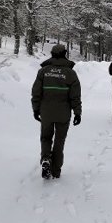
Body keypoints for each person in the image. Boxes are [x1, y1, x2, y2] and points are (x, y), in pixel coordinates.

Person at [31, 44, 82, 179]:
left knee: (46, 137)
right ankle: (56, 170)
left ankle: (46, 158)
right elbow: (75, 96)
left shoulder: (43, 71)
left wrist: (36, 109)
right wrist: (77, 113)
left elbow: (36, 92)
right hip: (63, 113)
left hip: (46, 111)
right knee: (59, 141)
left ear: (52, 54)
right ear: (65, 54)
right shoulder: (70, 73)